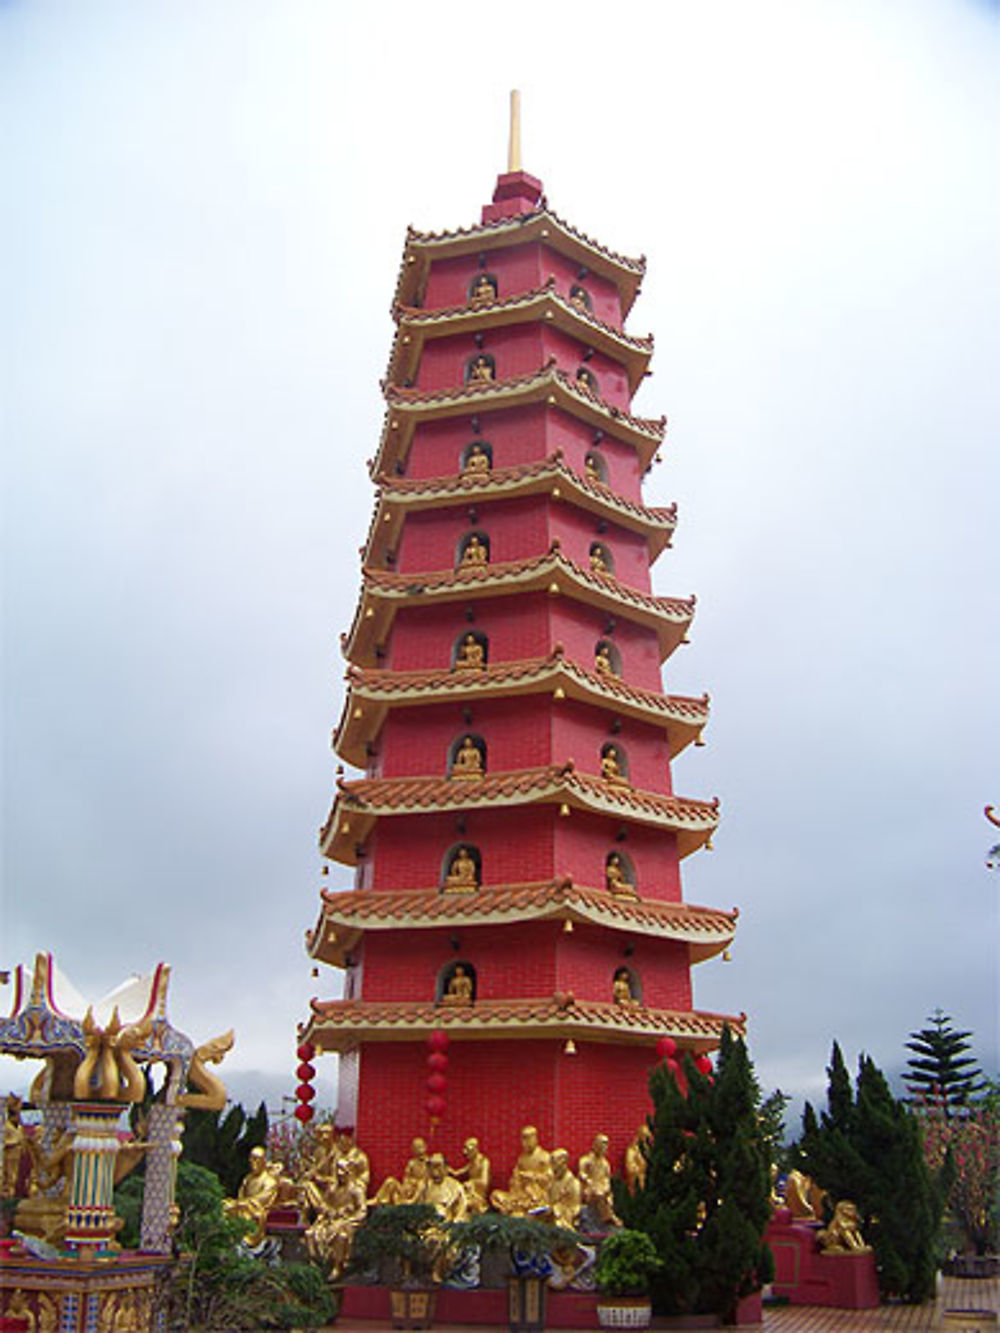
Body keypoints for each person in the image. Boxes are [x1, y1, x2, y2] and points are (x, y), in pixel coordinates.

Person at [305, 1159, 367, 1281]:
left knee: (341, 1236)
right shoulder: (333, 1189)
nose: (340, 1174)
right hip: (329, 1221)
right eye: (338, 1170)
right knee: (310, 1233)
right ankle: (315, 1262)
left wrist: (348, 1219)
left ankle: (337, 1266)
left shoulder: (356, 1190)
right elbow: (324, 1204)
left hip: (345, 1223)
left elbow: (362, 1212)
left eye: (343, 1171)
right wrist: (328, 1211)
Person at [223, 1145, 280, 1247]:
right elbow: (241, 1195)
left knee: (245, 1214)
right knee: (225, 1206)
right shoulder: (248, 1179)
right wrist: (236, 1203)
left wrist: (242, 1204)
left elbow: (261, 1200)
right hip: (242, 1207)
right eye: (251, 1158)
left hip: (255, 1211)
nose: (252, 1162)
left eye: (256, 1159)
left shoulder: (270, 1181)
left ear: (263, 1161)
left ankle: (245, 1242)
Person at [490, 1125, 552, 1215]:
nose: (526, 1143)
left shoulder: (544, 1157)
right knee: (495, 1195)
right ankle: (514, 1208)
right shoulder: (522, 1158)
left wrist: (532, 1176)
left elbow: (550, 1180)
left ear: (535, 1139)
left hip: (536, 1194)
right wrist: (516, 1178)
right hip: (520, 1194)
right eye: (523, 1139)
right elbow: (515, 1178)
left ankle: (524, 1211)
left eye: (529, 1139)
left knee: (538, 1204)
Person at [578, 1133, 621, 1226]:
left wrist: (606, 1187)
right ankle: (608, 1217)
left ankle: (608, 1216)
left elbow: (606, 1178)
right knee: (598, 1194)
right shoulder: (585, 1160)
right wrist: (588, 1181)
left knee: (603, 1194)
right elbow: (581, 1174)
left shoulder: (605, 1164)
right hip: (589, 1189)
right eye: (602, 1144)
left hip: (601, 1189)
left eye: (606, 1145)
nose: (604, 1147)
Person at [371, 1137, 428, 1206]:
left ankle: (411, 1202)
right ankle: (378, 1199)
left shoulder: (429, 1163)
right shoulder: (411, 1163)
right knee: (390, 1181)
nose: (418, 1149)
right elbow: (406, 1177)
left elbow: (428, 1179)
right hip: (408, 1189)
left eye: (420, 1146)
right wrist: (408, 1183)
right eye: (416, 1147)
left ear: (425, 1147)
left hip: (419, 1190)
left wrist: (415, 1182)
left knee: (421, 1185)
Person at [450, 1136, 490, 1214]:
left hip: (478, 1195)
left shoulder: (484, 1162)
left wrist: (472, 1182)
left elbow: (484, 1182)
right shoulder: (471, 1163)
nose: (465, 1153)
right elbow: (458, 1173)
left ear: (475, 1149)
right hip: (469, 1191)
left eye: (468, 1150)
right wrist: (449, 1170)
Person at [544, 1149, 581, 1229]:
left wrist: (556, 1210)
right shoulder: (552, 1182)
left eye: (554, 1163)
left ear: (563, 1163)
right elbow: (547, 1199)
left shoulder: (573, 1183)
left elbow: (575, 1208)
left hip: (563, 1219)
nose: (552, 1168)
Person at [624, 1125, 651, 1193]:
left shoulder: (649, 1149)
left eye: (646, 1136)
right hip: (638, 1180)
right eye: (643, 1136)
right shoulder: (632, 1150)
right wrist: (641, 1168)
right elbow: (629, 1166)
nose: (645, 1139)